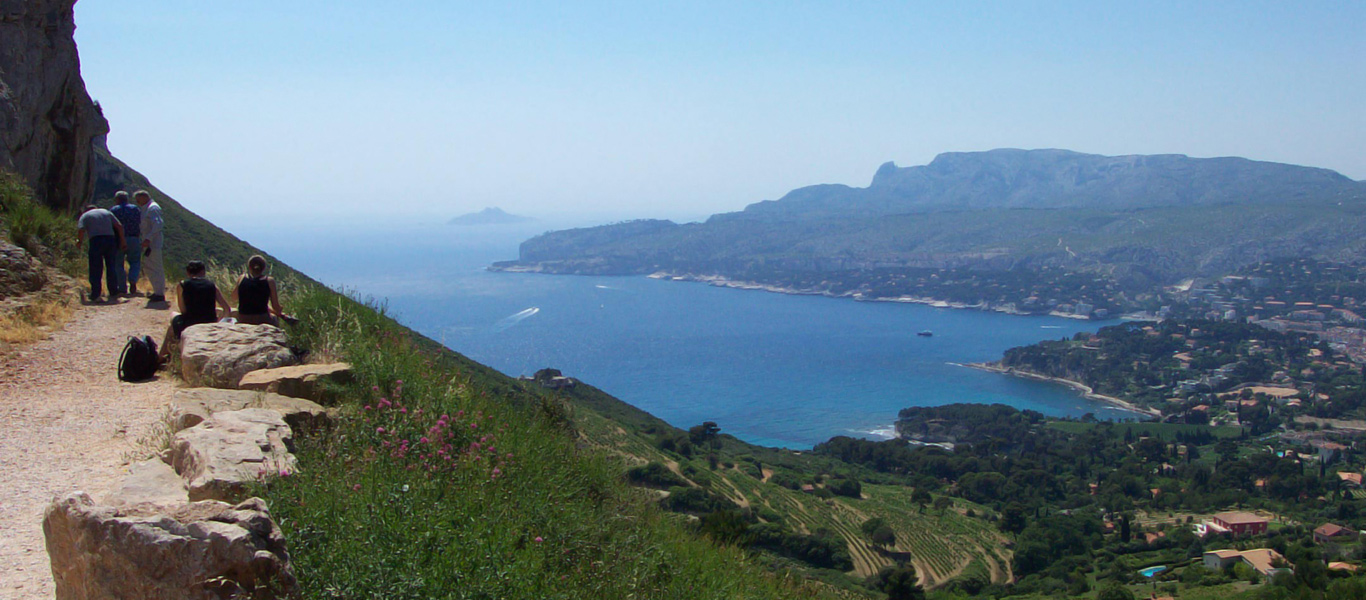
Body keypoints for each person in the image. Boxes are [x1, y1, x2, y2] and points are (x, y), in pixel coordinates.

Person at [159, 261, 232, 362]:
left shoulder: (182, 285)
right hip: (209, 323)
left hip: (190, 323)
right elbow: (227, 309)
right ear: (203, 272)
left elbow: (183, 310)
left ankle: (160, 357)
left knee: (173, 319)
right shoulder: (212, 286)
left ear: (188, 273)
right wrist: (217, 322)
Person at [75, 204, 126, 302]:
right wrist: (122, 241)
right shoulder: (106, 212)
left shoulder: (85, 216)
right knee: (111, 266)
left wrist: (79, 242)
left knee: (95, 267)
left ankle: (96, 294)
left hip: (95, 240)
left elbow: (81, 230)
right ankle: (113, 293)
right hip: (110, 239)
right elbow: (119, 226)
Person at [232, 255, 287, 326]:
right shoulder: (269, 281)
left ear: (249, 267)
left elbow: (234, 297)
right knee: (275, 318)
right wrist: (280, 310)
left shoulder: (241, 278)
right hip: (262, 319)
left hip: (243, 318)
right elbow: (276, 307)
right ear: (263, 268)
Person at [134, 190, 167, 303]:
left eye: (138, 199)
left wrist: (149, 238)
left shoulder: (153, 208)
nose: (137, 202)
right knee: (150, 267)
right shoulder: (147, 208)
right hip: (149, 243)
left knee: (156, 267)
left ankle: (160, 293)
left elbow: (158, 224)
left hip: (153, 243)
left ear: (144, 197)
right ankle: (157, 291)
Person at [107, 191, 141, 295]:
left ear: (117, 199)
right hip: (134, 238)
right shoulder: (135, 209)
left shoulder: (113, 210)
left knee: (118, 264)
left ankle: (122, 287)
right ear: (127, 199)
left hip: (118, 239)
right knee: (135, 261)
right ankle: (133, 280)